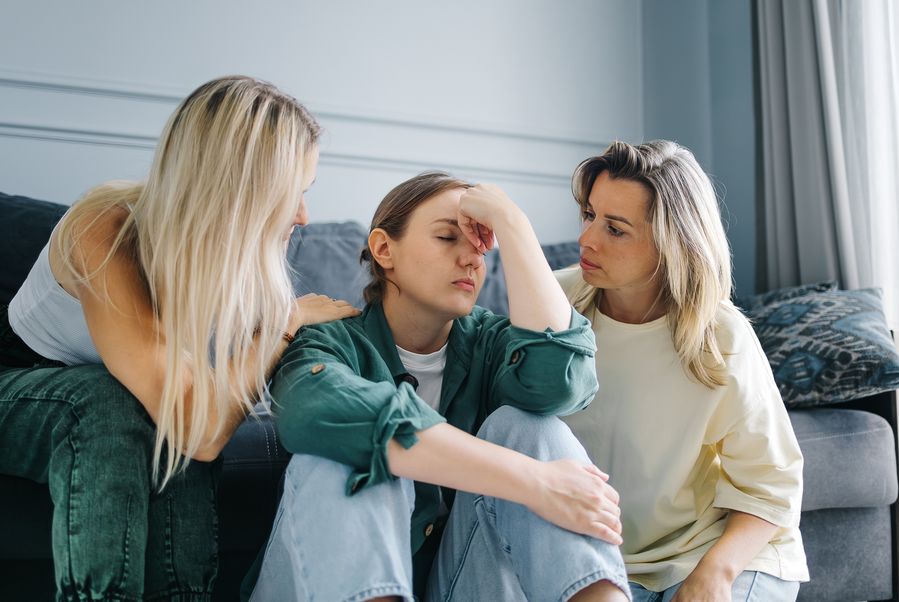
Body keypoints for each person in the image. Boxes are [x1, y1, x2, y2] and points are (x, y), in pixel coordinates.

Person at [0, 75, 358, 601]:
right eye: (295, 194)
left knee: (165, 409)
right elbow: (202, 427)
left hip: (123, 402)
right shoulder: (104, 227)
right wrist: (287, 321)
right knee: (118, 403)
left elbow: (193, 417)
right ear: (241, 188)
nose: (304, 215)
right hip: (18, 386)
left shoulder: (227, 260)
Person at [247, 171, 630, 602]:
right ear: (384, 249)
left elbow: (561, 384)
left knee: (532, 427)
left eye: (482, 246)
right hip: (319, 587)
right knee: (350, 452)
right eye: (448, 237)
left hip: (455, 585)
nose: (470, 258)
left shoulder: (490, 343)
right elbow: (312, 413)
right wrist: (537, 482)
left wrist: (512, 221)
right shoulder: (328, 340)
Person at [557, 140, 809, 602]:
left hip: (714, 550)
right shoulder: (556, 306)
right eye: (589, 215)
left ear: (672, 244)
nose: (586, 240)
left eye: (615, 229)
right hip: (600, 562)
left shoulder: (721, 336)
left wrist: (716, 573)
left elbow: (771, 483)